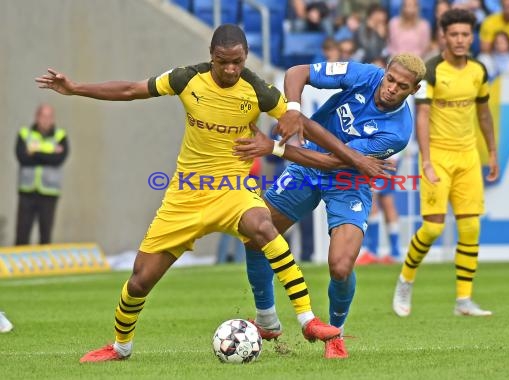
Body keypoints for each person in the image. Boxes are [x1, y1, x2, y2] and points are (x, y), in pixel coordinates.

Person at [36, 24, 389, 363]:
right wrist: (76, 87)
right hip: (185, 195)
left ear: (246, 56)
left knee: (262, 225)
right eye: (223, 62)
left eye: (238, 61)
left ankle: (307, 320)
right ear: (211, 56)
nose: (231, 69)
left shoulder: (259, 91)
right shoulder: (186, 78)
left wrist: (352, 158)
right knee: (140, 279)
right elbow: (131, 89)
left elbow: (306, 127)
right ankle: (120, 347)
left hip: (232, 190)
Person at [234, 54, 426, 358]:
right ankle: (267, 319)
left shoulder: (398, 132)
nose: (391, 88)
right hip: (307, 167)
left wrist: (275, 147)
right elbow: (298, 72)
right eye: (390, 79)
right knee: (256, 234)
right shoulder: (363, 74)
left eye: (402, 86)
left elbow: (336, 161)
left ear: (413, 91)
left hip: (348, 182)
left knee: (340, 266)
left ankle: (336, 333)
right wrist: (294, 110)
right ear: (384, 71)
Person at [392, 9, 500, 318]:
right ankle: (405, 280)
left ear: (472, 36)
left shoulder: (479, 71)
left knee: (470, 227)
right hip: (438, 156)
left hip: (468, 156)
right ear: (444, 37)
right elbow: (423, 116)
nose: (461, 39)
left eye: (466, 34)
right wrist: (426, 161)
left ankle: (463, 300)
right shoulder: (431, 72)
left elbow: (483, 113)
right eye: (455, 34)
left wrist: (491, 152)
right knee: (432, 229)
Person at [15, 104, 69, 245]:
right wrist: (50, 150)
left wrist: (34, 151)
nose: (46, 120)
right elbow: (22, 158)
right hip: (27, 191)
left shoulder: (60, 136)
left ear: (53, 119)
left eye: (49, 116)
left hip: (49, 193)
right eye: (43, 116)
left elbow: (58, 160)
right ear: (37, 117)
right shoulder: (24, 133)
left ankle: (42, 265)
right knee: (22, 232)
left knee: (45, 234)